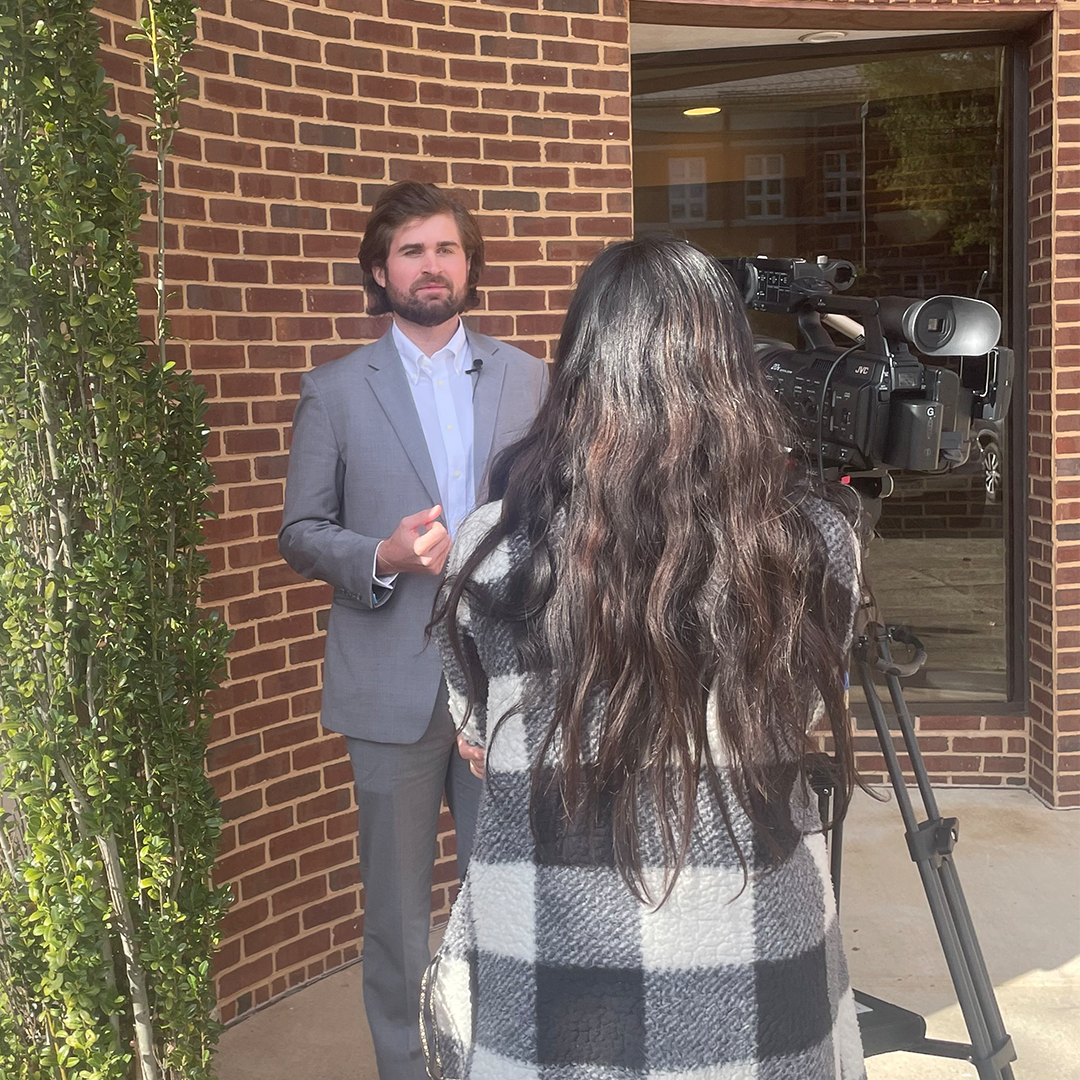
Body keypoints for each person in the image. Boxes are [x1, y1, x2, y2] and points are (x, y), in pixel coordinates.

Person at [425, 236, 868, 1079]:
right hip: (758, 972)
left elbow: (480, 735)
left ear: (580, 370)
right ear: (734, 371)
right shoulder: (817, 544)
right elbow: (803, 707)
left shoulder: (492, 551)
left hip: (549, 983)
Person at [278, 181, 548, 1080]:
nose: (431, 267)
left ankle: (498, 1059)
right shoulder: (335, 390)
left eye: (446, 250)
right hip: (391, 687)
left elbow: (554, 516)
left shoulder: (526, 375)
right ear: (378, 271)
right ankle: (406, 1067)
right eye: (410, 251)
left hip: (505, 685)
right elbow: (301, 531)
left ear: (469, 265)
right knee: (395, 914)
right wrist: (385, 556)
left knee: (507, 898)